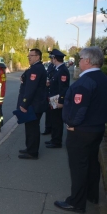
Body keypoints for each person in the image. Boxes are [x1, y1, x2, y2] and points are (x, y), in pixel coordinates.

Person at [54, 47, 107, 213]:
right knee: (92, 163)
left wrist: (71, 123)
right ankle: (91, 195)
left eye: (81, 58)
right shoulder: (102, 78)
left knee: (78, 166)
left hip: (82, 131)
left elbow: (79, 108)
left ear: (88, 61)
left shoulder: (85, 81)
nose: (79, 61)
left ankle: (76, 202)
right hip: (97, 129)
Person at [17, 48, 48, 160]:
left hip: (34, 105)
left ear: (38, 57)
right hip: (35, 104)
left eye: (31, 55)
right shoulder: (36, 68)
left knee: (32, 129)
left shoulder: (36, 69)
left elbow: (31, 89)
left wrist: (24, 104)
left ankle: (32, 152)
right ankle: (29, 148)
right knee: (30, 128)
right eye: (28, 55)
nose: (29, 57)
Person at [45, 49, 70, 148]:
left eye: (52, 58)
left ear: (55, 59)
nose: (51, 60)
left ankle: (56, 142)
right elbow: (55, 82)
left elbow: (63, 88)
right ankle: (53, 139)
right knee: (53, 120)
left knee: (57, 121)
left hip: (57, 99)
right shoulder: (57, 69)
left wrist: (61, 101)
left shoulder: (62, 70)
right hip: (53, 98)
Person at [42, 59, 55, 135]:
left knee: (54, 114)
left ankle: (53, 133)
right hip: (49, 93)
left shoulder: (58, 68)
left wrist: (50, 83)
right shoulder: (50, 66)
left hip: (54, 95)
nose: (51, 59)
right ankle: (48, 129)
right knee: (48, 112)